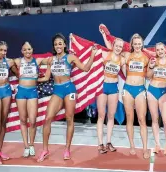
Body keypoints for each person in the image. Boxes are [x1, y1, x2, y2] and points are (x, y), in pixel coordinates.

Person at [37, 33, 97, 162]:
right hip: (57, 91)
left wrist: (92, 54)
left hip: (69, 89)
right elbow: (47, 77)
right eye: (55, 44)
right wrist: (33, 80)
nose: (58, 46)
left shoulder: (70, 57)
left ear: (64, 45)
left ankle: (67, 149)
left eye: (60, 43)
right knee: (47, 119)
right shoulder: (51, 60)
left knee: (70, 119)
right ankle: (45, 150)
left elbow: (86, 68)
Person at [70, 33, 123, 154]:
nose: (119, 48)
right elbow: (91, 49)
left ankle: (108, 142)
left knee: (111, 116)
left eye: (121, 46)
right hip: (102, 87)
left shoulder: (122, 59)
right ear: (113, 45)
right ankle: (100, 143)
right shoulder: (105, 54)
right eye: (117, 46)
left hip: (114, 88)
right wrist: (76, 41)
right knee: (101, 115)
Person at [13, 42, 51, 157]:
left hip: (32, 92)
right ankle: (26, 146)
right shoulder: (18, 61)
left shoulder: (38, 61)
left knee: (33, 120)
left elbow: (50, 60)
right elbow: (4, 62)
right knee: (23, 120)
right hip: (21, 92)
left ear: (32, 50)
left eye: (29, 49)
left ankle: (32, 144)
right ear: (22, 51)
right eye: (25, 49)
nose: (27, 51)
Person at [122, 34, 151, 159]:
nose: (138, 46)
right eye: (135, 43)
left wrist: (153, 67)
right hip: (127, 89)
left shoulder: (146, 58)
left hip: (140, 90)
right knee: (129, 118)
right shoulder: (127, 55)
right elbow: (112, 49)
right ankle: (132, 145)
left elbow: (149, 76)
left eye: (139, 44)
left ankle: (145, 148)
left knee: (141, 119)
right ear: (132, 44)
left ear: (142, 44)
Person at [146, 42, 166, 155]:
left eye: (161, 49)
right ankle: (157, 144)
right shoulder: (152, 61)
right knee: (155, 119)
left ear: (165, 49)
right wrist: (151, 67)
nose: (160, 51)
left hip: (164, 92)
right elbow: (148, 76)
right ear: (155, 51)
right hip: (152, 91)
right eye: (158, 50)